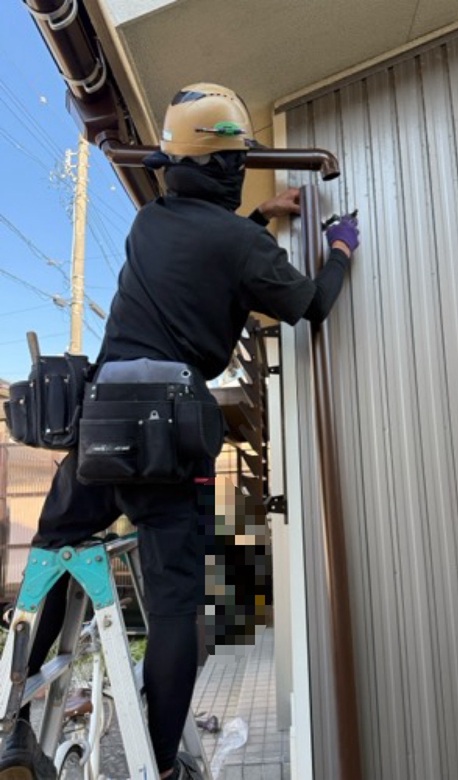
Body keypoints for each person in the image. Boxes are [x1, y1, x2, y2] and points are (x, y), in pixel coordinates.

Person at [0, 82, 359, 780]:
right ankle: (160, 765)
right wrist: (339, 248)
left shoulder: (151, 223)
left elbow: (198, 254)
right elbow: (311, 305)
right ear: (223, 167)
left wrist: (258, 217)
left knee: (52, 559)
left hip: (99, 423)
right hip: (170, 431)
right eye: (238, 160)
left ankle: (13, 722)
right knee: (172, 610)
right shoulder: (239, 244)